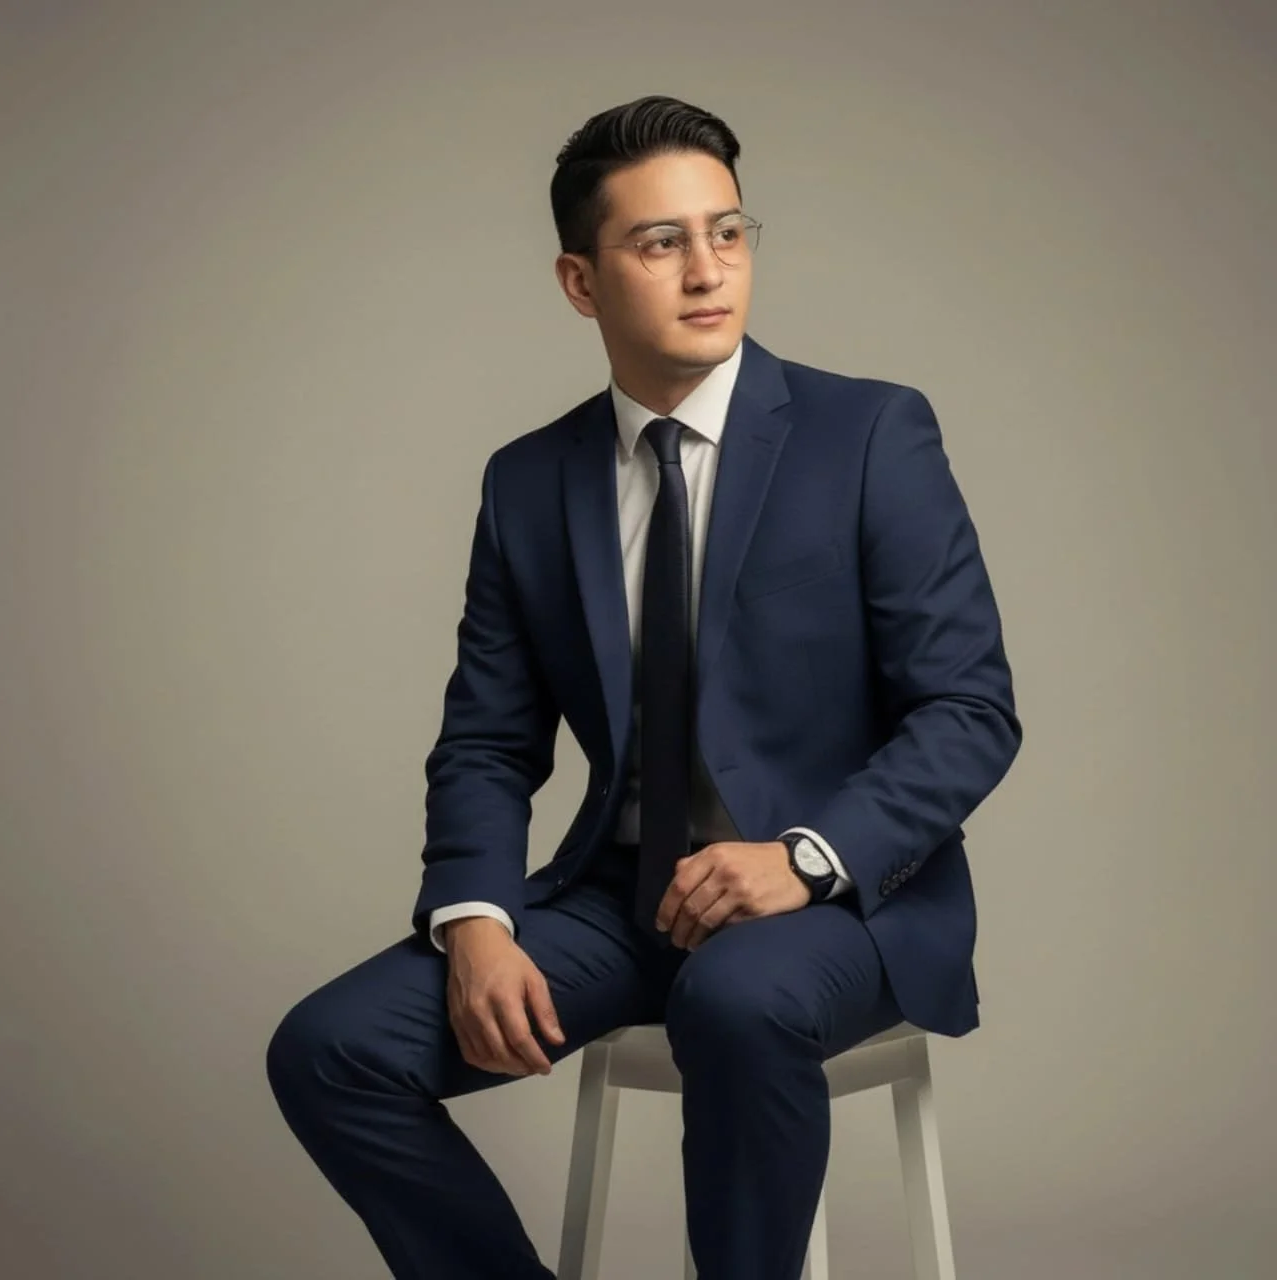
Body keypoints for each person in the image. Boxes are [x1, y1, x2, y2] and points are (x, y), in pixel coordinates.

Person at [265, 93, 1022, 1280]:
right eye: (659, 241)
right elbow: (485, 740)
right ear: (580, 281)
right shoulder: (528, 482)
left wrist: (804, 855)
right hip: (622, 901)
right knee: (328, 1046)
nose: (707, 269)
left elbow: (968, 707)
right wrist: (474, 919)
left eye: (726, 231)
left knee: (734, 997)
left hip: (838, 907)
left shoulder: (868, 433)